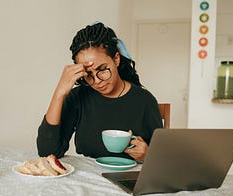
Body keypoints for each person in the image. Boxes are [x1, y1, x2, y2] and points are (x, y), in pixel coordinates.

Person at [37, 22, 163, 161]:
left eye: (102, 69)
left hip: (129, 178)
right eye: (88, 75)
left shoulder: (144, 100)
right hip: (88, 177)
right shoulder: (78, 97)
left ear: (116, 59)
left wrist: (148, 155)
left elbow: (162, 160)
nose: (97, 81)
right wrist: (59, 93)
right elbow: (47, 152)